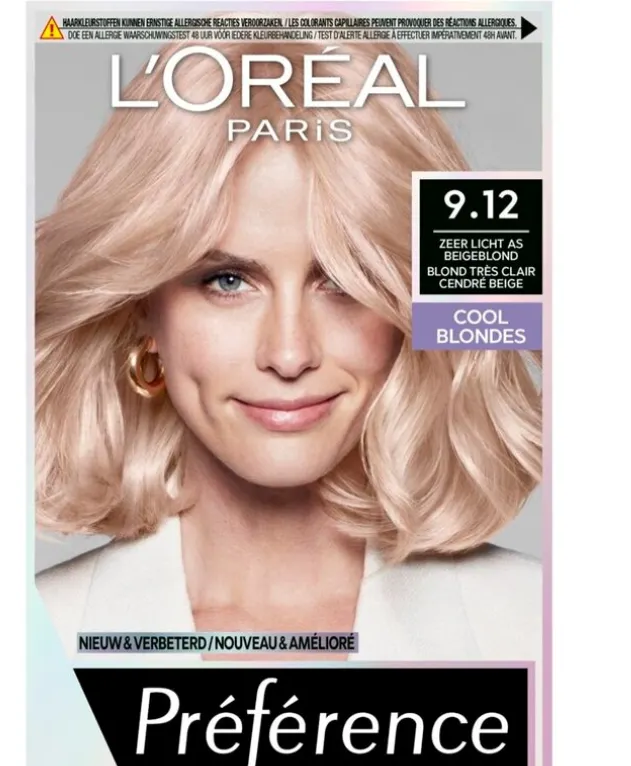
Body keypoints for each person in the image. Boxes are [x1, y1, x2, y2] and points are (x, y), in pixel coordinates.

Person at [34, 39, 542, 661]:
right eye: (227, 281)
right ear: (142, 309)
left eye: (343, 280)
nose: (290, 353)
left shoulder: (536, 624)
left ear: (407, 310)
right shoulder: (37, 643)